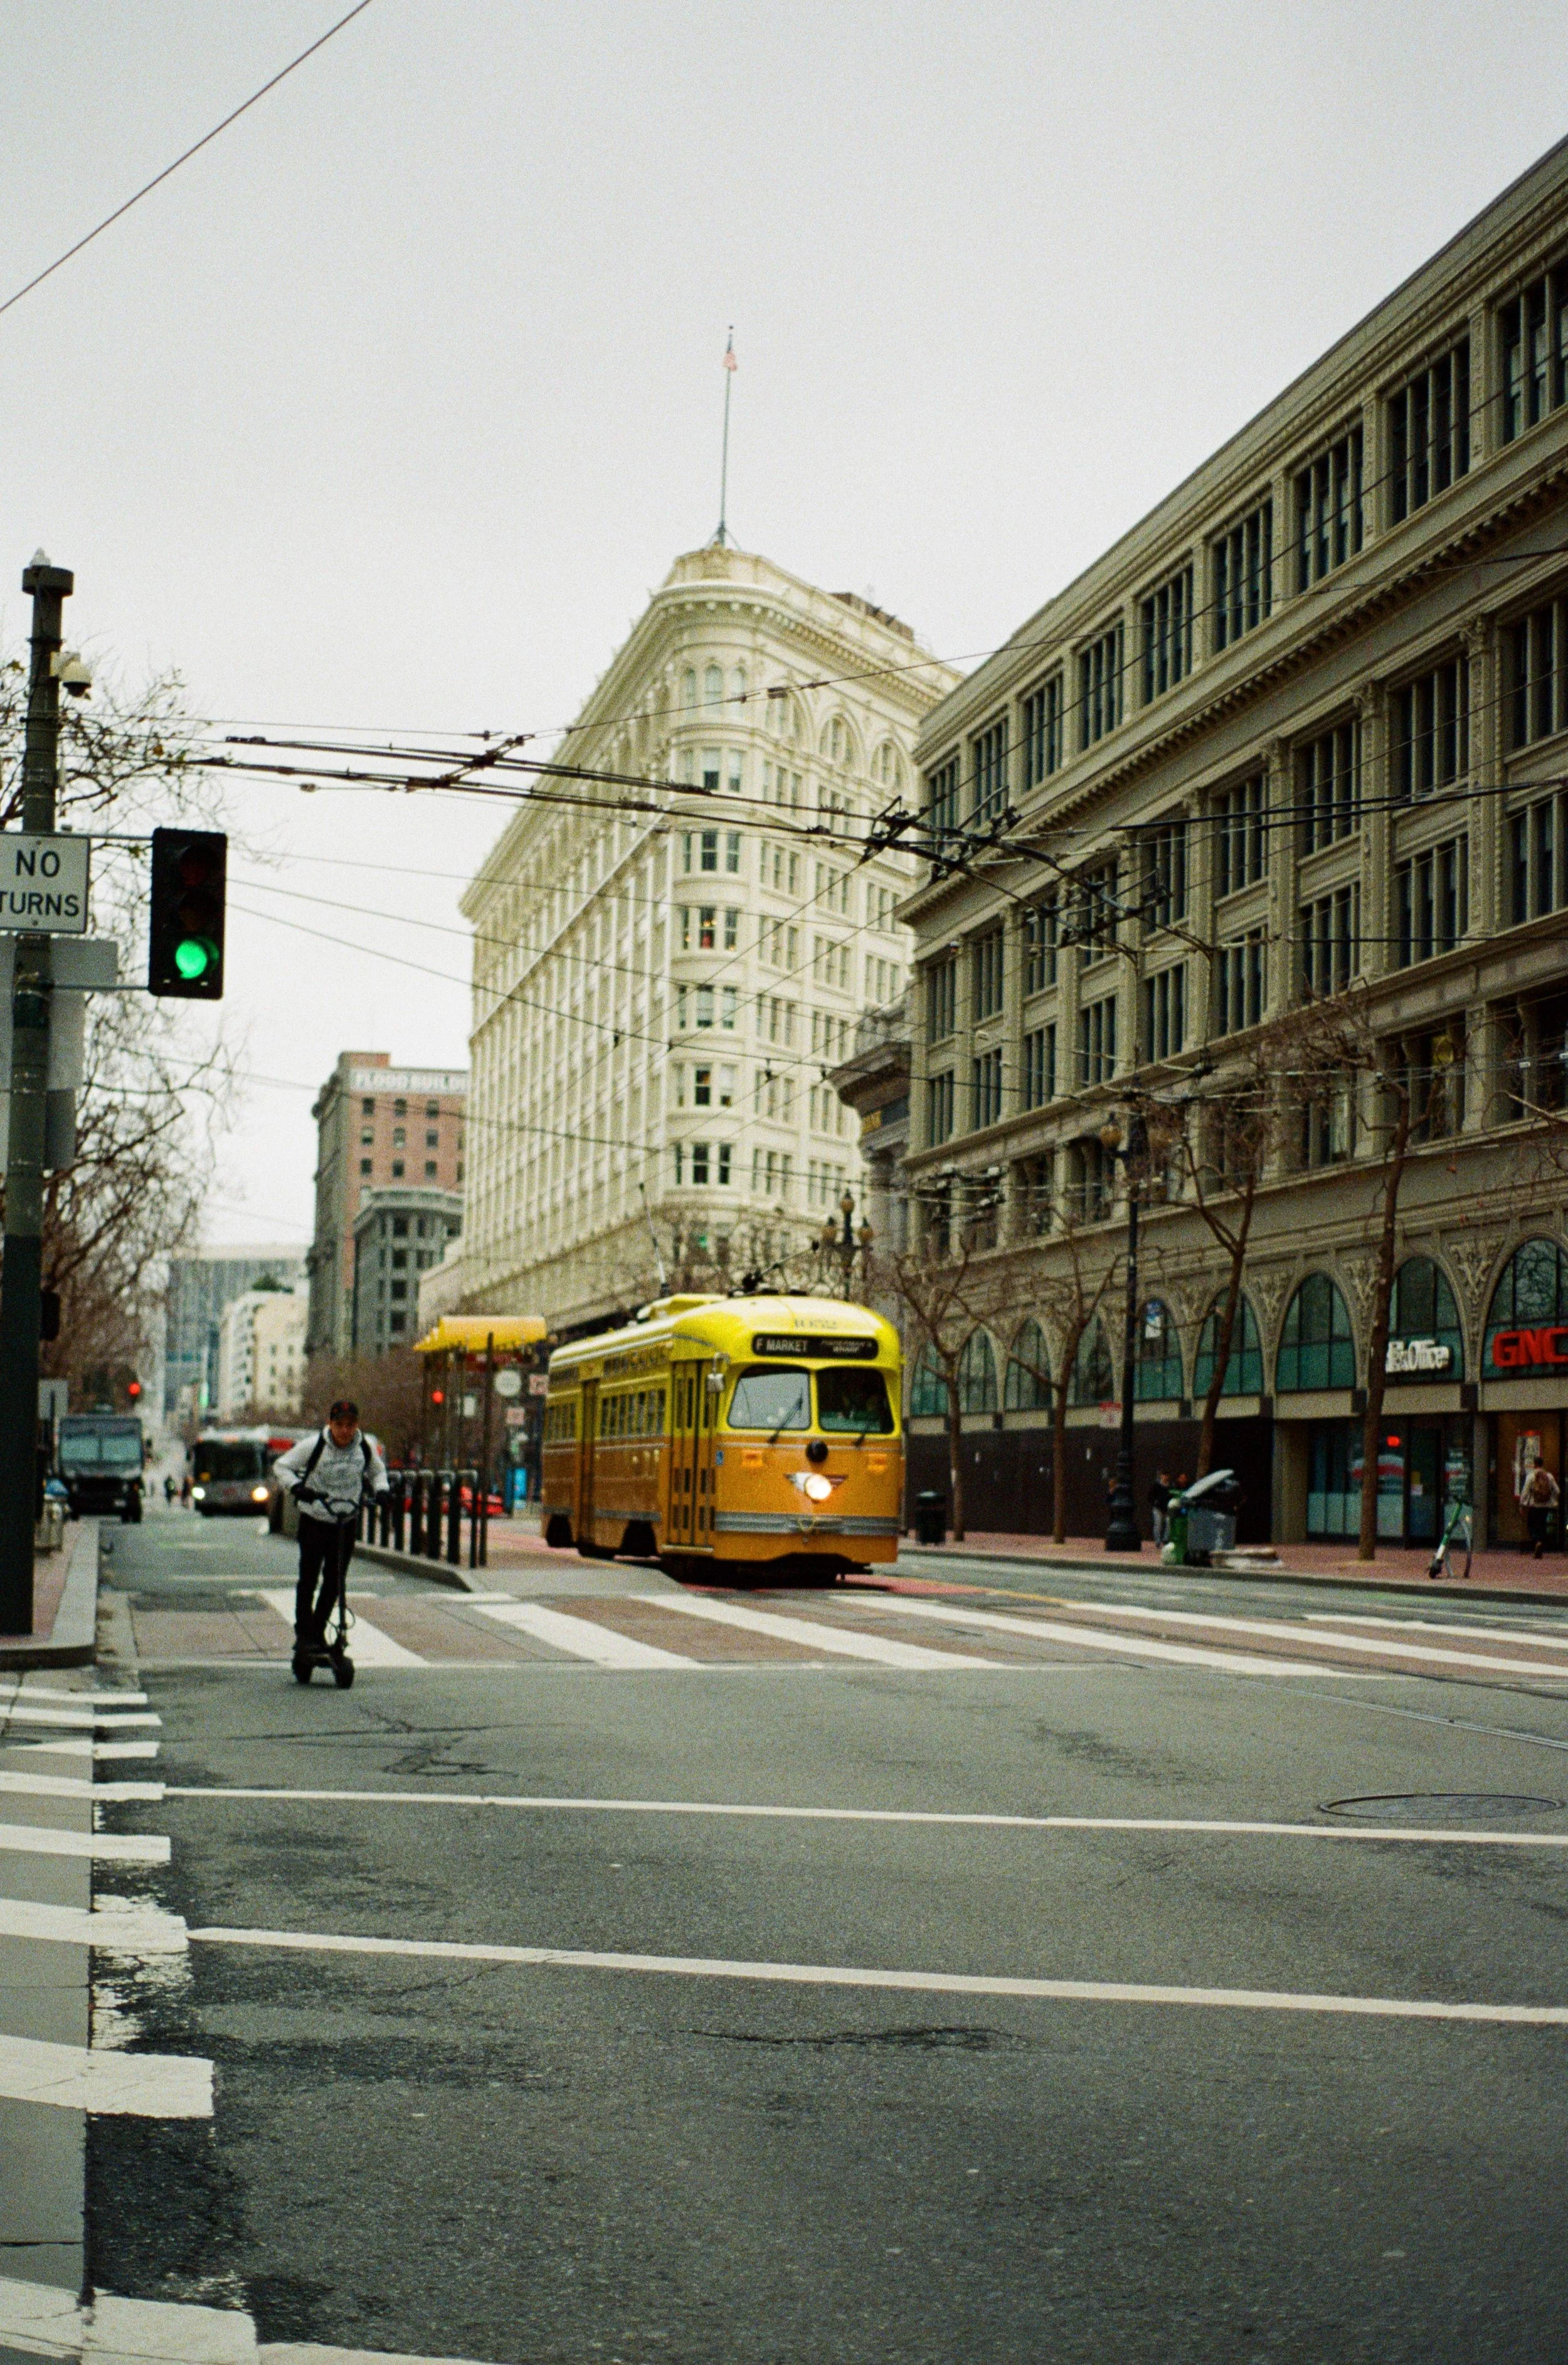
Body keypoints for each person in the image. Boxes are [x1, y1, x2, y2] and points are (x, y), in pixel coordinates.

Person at [274, 1400, 389, 1657]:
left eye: (350, 1425)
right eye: (339, 1425)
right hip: (315, 1519)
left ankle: (317, 1630)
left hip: (345, 1521)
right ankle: (304, 1634)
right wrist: (297, 1487)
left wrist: (381, 1491)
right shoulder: (313, 1446)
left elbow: (378, 1473)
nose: (344, 1431)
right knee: (309, 1579)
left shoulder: (364, 1448)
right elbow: (281, 1466)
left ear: (356, 1426)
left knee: (335, 1581)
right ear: (330, 1424)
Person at [1520, 1461, 1560, 1560]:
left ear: (1535, 1464)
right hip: (1546, 1506)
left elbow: (1525, 1491)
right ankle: (1541, 1543)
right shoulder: (1549, 1476)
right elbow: (1557, 1491)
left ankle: (1537, 1541)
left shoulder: (1531, 1476)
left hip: (1534, 1506)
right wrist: (1552, 1500)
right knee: (1542, 1525)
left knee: (1531, 1525)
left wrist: (1522, 1504)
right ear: (1543, 1464)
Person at [1149, 1470, 1171, 1547]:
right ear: (1161, 1476)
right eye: (1164, 1475)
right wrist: (1154, 1503)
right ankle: (1158, 1541)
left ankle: (1165, 1539)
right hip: (1158, 1508)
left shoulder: (1171, 1486)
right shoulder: (1156, 1485)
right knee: (1158, 1524)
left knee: (1169, 1523)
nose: (1165, 1477)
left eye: (1166, 1475)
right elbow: (1151, 1495)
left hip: (1167, 1508)